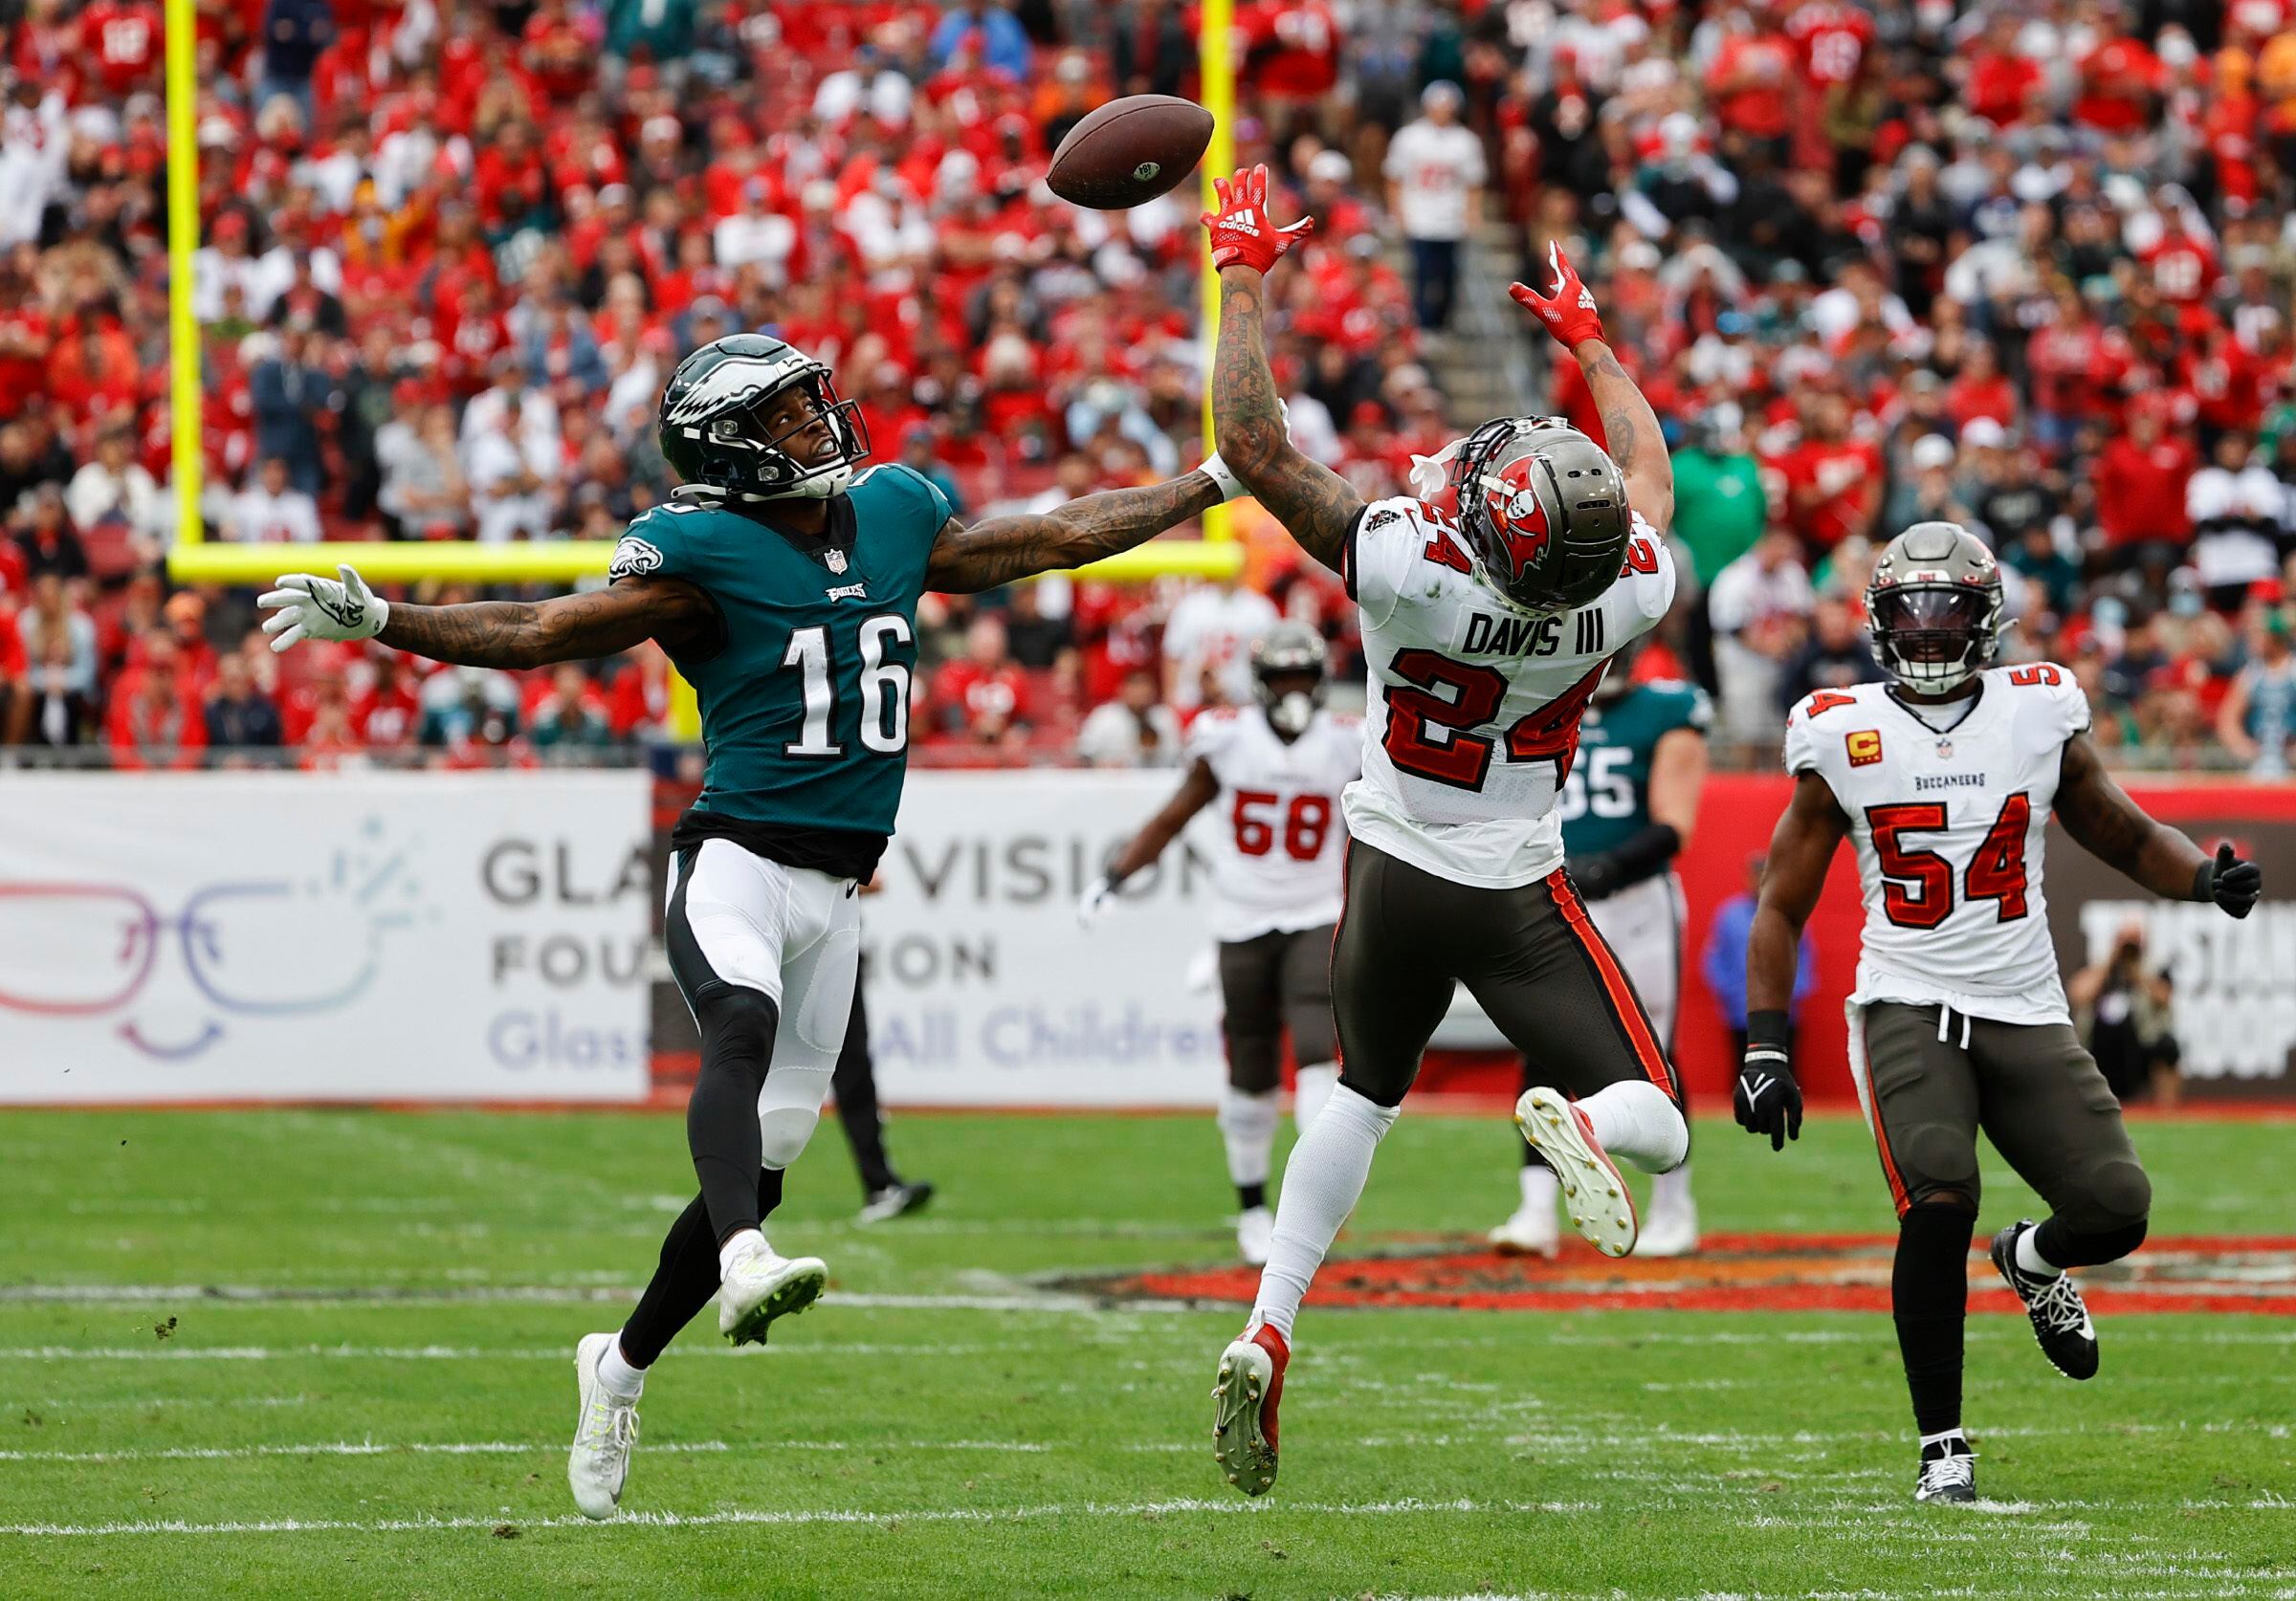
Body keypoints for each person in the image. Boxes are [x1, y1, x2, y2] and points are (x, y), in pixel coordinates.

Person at [257, 331, 1247, 1520]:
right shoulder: (701, 553)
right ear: (729, 449)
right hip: (733, 857)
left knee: (769, 1161)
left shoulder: (893, 512)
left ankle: (618, 1367)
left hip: (838, 893)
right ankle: (740, 1261)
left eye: (808, 401)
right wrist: (386, 623)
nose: (816, 421)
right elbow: (543, 632)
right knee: (737, 1029)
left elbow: (1056, 536)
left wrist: (1213, 480)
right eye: (783, 414)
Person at [1199, 168, 1688, 1498]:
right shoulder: (1626, 591)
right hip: (1514, 882)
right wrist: (1593, 347)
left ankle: (1271, 1320)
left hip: (1390, 867)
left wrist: (1241, 271)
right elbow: (1647, 481)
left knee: (1360, 1095)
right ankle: (1583, 1120)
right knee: (1660, 1120)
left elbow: (1253, 444)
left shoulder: (1411, 568)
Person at [1738, 520, 2263, 1504]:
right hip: (1906, 997)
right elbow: (1780, 906)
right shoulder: (1839, 728)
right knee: (1938, 1194)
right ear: (1880, 621)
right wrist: (1766, 1046)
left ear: (1988, 621)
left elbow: (2120, 830)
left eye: (1949, 611)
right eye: (1911, 613)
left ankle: (2029, 1261)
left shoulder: (2037, 707)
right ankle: (1943, 1446)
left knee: (2115, 1207)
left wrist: (2201, 878)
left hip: (2022, 1001)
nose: (1930, 630)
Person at [1079, 624, 1359, 1265]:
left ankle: (1311, 1204)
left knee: (1317, 1049)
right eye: (1283, 678)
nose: (1294, 690)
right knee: (1250, 1068)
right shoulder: (1228, 739)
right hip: (1242, 919)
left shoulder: (1348, 742)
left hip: (1315, 911)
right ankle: (1253, 1208)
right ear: (1261, 684)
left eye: (1303, 677)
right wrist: (1117, 876)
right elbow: (1174, 816)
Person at [1491, 636, 1710, 1259]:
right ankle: (1536, 1212)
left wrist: (1607, 866)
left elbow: (1675, 823)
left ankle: (1674, 1208)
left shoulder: (1666, 709)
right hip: (1553, 897)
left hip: (1635, 901)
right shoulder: (1538, 697)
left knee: (1652, 1053)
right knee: (1540, 1046)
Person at [1383, 82, 1486, 332]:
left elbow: (1474, 182)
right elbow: (1394, 178)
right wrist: (1397, 212)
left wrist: (1472, 214)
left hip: (1451, 219)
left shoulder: (1466, 141)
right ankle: (1423, 323)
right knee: (1422, 273)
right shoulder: (1410, 137)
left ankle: (1441, 323)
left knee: (1449, 275)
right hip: (1419, 216)